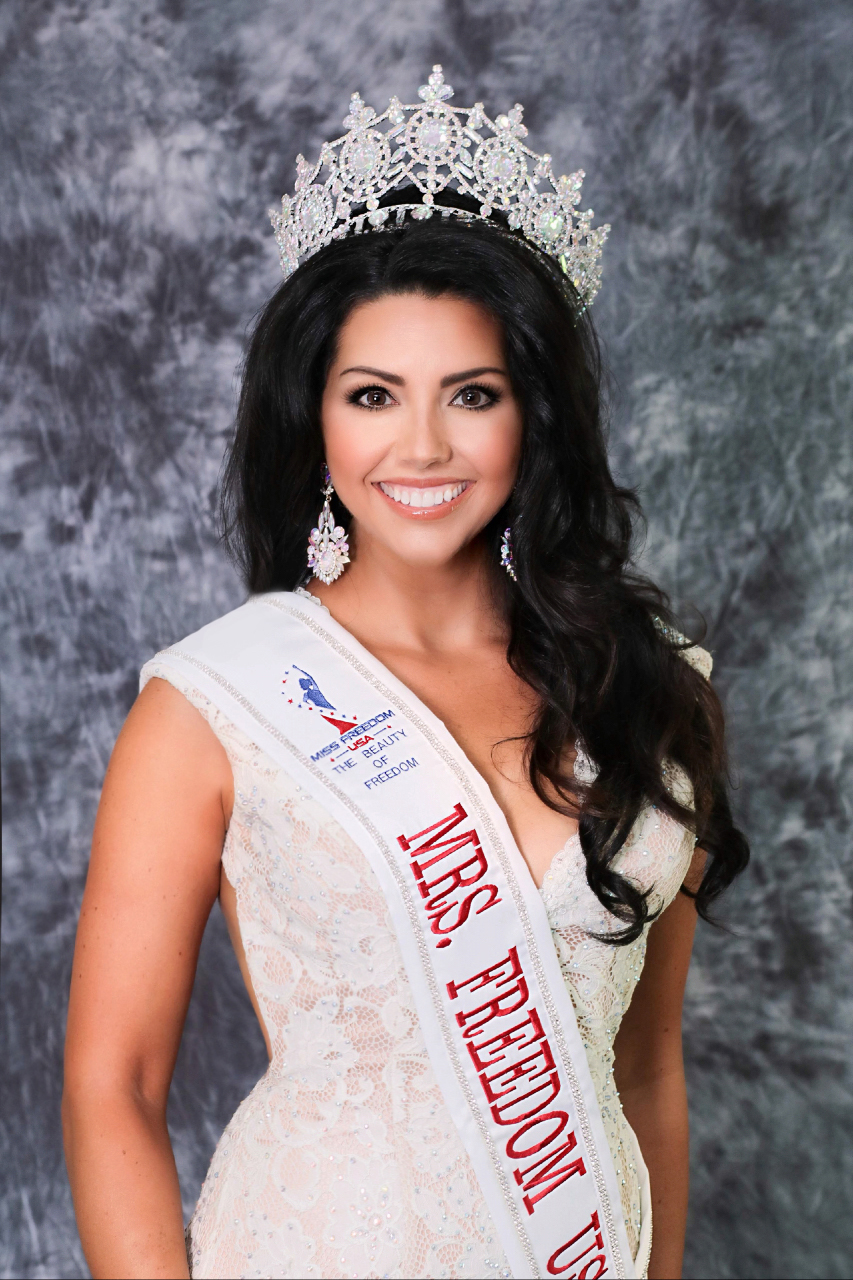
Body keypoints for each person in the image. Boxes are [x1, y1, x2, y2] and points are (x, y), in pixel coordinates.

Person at [62, 68, 749, 1280]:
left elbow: (643, 1068)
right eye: (373, 395)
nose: (422, 446)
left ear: (534, 417)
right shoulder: (216, 702)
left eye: (471, 395)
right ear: (316, 418)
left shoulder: (655, 689)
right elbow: (112, 1083)